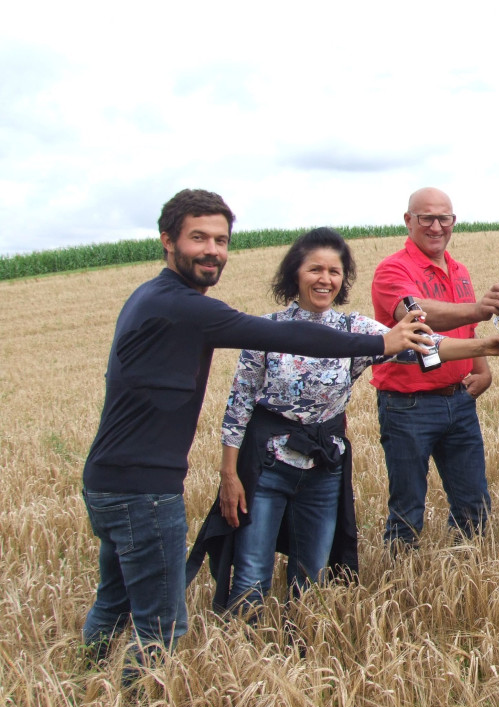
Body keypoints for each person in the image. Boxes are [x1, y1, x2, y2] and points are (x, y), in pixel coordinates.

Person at [81, 190, 434, 674]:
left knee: (113, 603)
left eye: (221, 240)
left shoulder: (149, 296)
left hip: (110, 478)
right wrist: (380, 340)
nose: (212, 250)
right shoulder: (182, 305)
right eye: (198, 238)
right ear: (167, 241)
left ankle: (86, 677)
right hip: (143, 489)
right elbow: (284, 335)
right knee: (161, 627)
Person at [189, 227, 499, 613]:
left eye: (334, 272)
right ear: (295, 275)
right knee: (253, 571)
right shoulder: (266, 329)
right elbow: (238, 407)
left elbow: (423, 345)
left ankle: (301, 648)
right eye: (315, 270)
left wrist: (484, 346)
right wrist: (228, 474)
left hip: (325, 465)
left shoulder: (354, 329)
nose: (325, 279)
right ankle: (239, 654)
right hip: (269, 465)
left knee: (313, 574)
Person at [370, 188, 499, 549]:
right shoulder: (393, 269)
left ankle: (468, 581)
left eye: (443, 218)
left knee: (474, 508)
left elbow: (466, 328)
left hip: (458, 401)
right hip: (407, 405)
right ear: (408, 221)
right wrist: (480, 308)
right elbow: (414, 312)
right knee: (407, 510)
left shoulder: (459, 270)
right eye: (425, 218)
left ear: (453, 222)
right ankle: (402, 588)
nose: (435, 226)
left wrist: (483, 368)